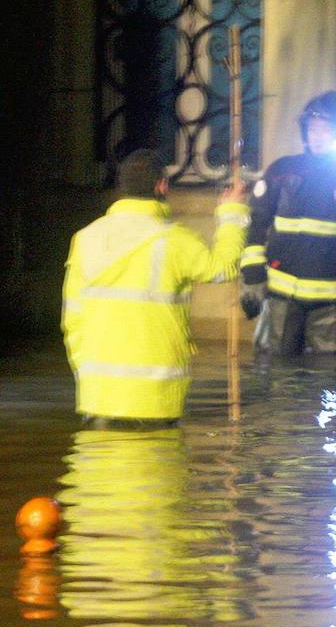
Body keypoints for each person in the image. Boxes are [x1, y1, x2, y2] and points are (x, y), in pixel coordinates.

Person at [60, 149, 249, 426]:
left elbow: (72, 320)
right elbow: (222, 269)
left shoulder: (85, 239)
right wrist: (232, 211)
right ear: (162, 185)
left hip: (97, 397)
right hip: (156, 399)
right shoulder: (174, 240)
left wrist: (87, 374)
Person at [239, 91, 336, 355]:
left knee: (329, 380)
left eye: (326, 130)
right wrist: (252, 277)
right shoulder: (281, 171)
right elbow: (255, 225)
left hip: (332, 299)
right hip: (281, 295)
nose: (317, 136)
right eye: (313, 129)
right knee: (276, 378)